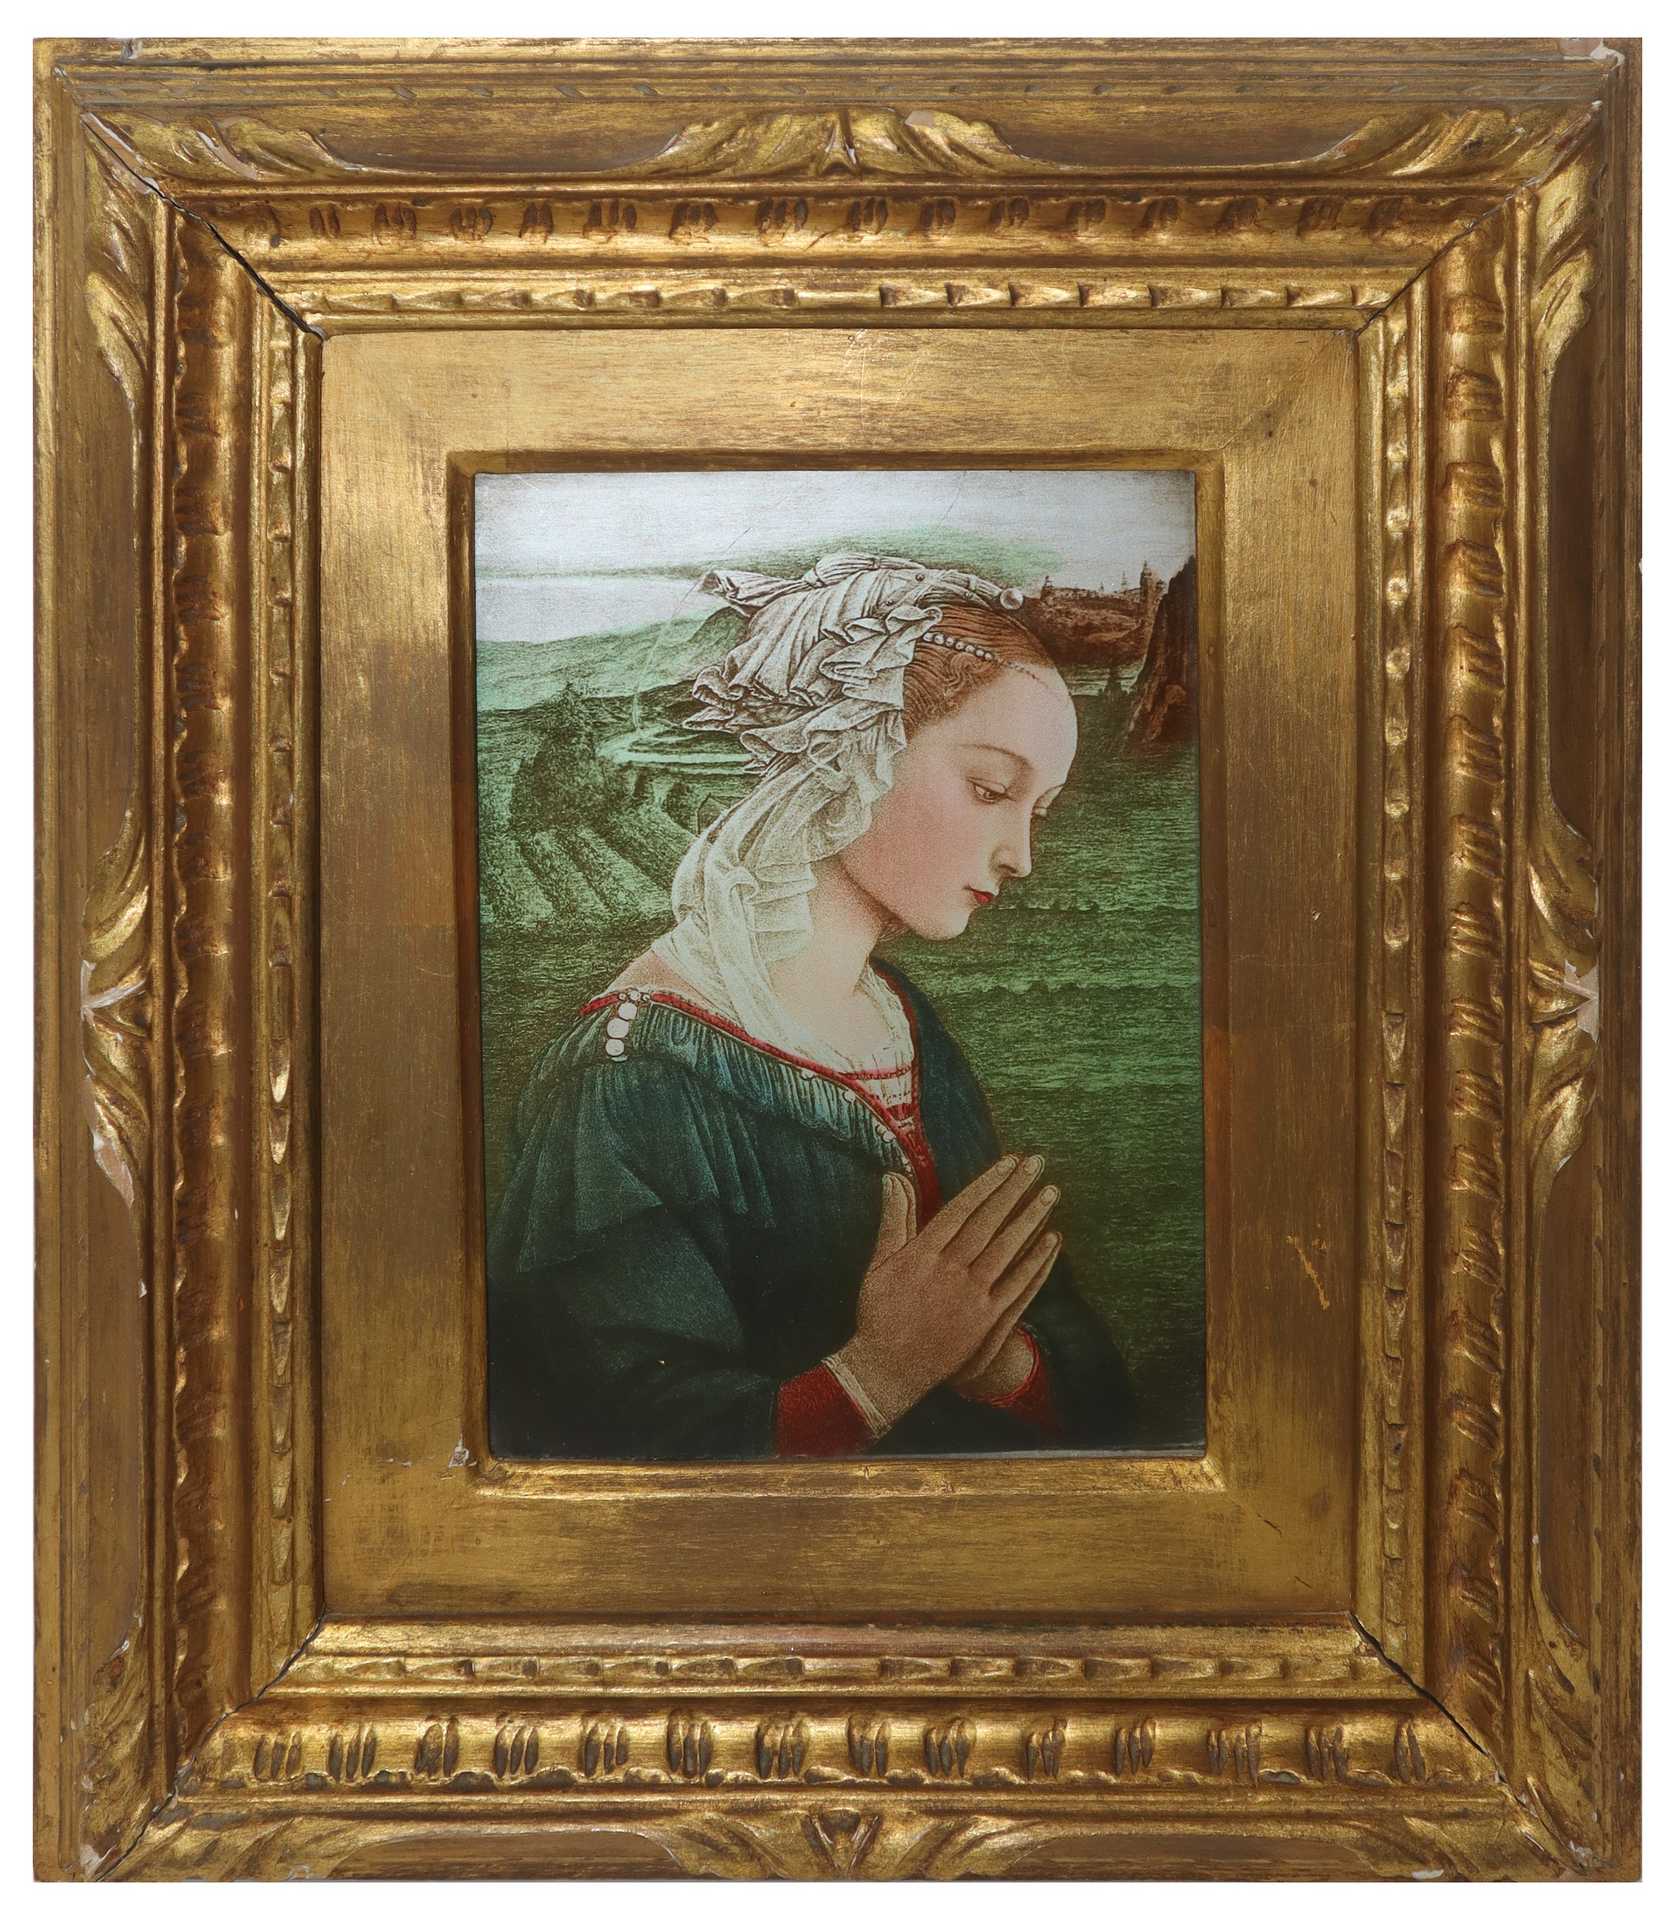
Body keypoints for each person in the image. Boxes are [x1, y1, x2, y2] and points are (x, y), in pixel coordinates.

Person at [488, 553, 1135, 1458]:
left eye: (1039, 810)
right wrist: (880, 1373)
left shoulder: (900, 1022)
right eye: (990, 790)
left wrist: (997, 1365)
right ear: (848, 752)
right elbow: (605, 1443)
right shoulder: (628, 1077)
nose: (1019, 856)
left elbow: (1094, 1403)